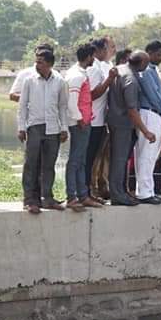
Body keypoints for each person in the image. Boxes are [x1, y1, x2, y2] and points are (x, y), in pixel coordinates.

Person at [17, 49, 68, 214]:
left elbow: (62, 107)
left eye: (40, 62)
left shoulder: (59, 81)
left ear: (49, 64)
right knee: (31, 164)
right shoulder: (29, 81)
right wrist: (21, 127)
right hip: (34, 127)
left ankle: (47, 197)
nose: (37, 64)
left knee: (49, 165)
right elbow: (22, 105)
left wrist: (64, 128)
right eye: (36, 61)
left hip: (53, 128)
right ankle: (30, 199)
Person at [106, 50, 155, 206]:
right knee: (119, 160)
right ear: (140, 64)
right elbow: (132, 109)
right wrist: (146, 131)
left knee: (119, 159)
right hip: (123, 124)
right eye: (146, 64)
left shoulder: (120, 69)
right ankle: (117, 194)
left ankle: (121, 191)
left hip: (114, 120)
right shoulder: (131, 80)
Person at [65, 42, 102, 212]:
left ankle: (82, 195)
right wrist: (80, 119)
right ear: (88, 57)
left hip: (84, 121)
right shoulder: (76, 76)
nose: (94, 59)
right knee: (75, 160)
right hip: (79, 123)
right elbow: (72, 102)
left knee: (80, 161)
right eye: (92, 56)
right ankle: (72, 196)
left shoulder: (79, 73)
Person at [134, 41, 161, 205]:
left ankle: (149, 190)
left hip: (156, 115)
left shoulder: (153, 71)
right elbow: (153, 95)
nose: (160, 58)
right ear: (148, 53)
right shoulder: (145, 72)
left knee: (152, 155)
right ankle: (144, 192)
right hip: (149, 113)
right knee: (146, 154)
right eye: (157, 54)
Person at [85, 36, 117, 197]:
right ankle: (90, 190)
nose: (111, 51)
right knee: (91, 158)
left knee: (102, 157)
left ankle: (100, 188)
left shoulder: (105, 66)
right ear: (98, 50)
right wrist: (109, 81)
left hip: (102, 119)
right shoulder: (93, 68)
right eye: (109, 48)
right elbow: (90, 95)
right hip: (93, 119)